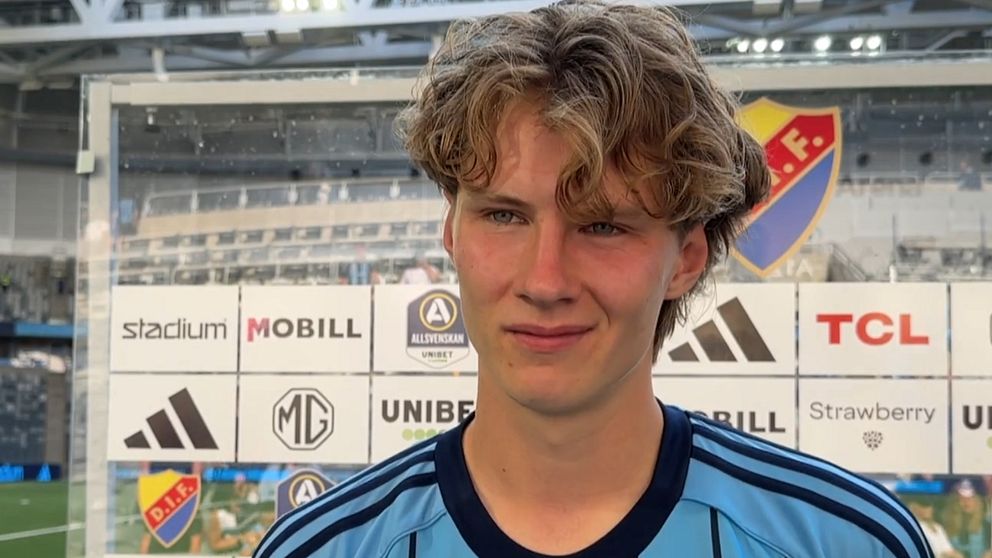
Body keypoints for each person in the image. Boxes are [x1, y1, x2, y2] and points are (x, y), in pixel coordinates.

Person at [254, 1, 932, 557]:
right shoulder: (319, 549)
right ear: (452, 233)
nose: (545, 280)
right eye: (504, 216)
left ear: (686, 259)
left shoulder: (849, 543)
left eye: (603, 226)